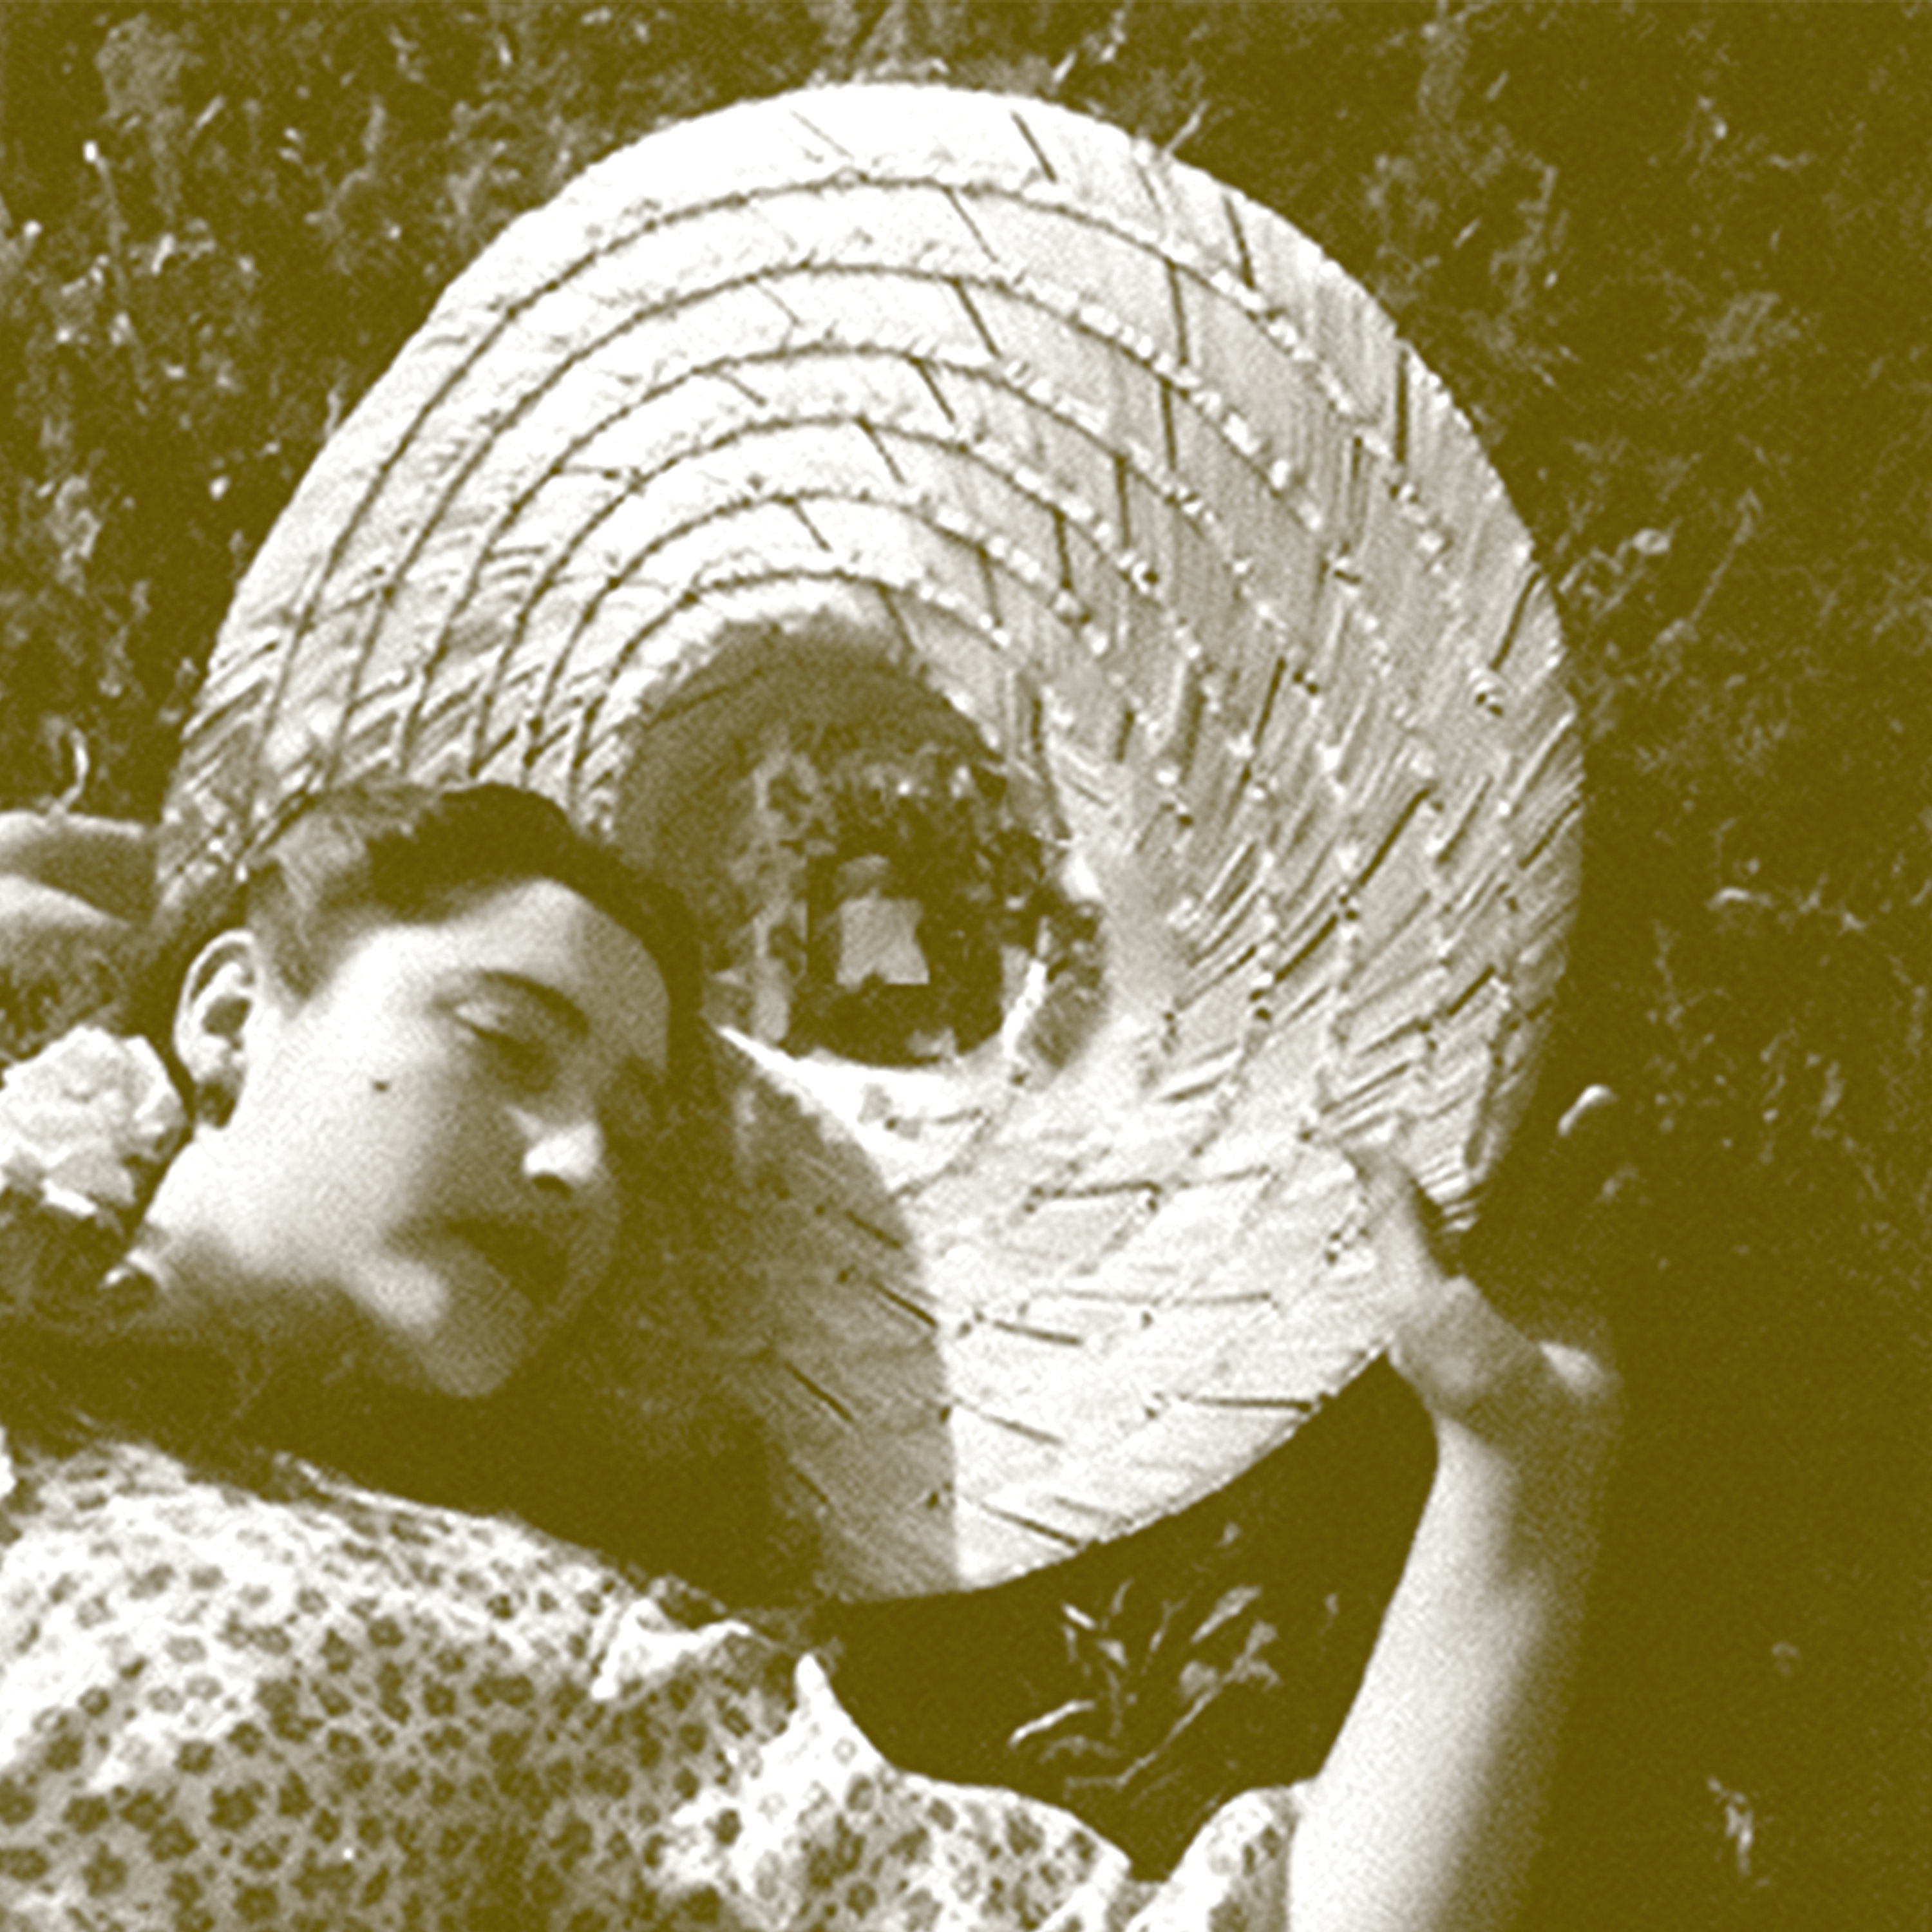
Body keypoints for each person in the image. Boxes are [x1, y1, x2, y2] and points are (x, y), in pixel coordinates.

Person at [0, 780, 1619, 1931]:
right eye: (506, 1043)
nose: (580, 1167)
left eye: (637, 1135)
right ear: (231, 1015)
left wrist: (1522, 1466)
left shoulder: (539, 1649)